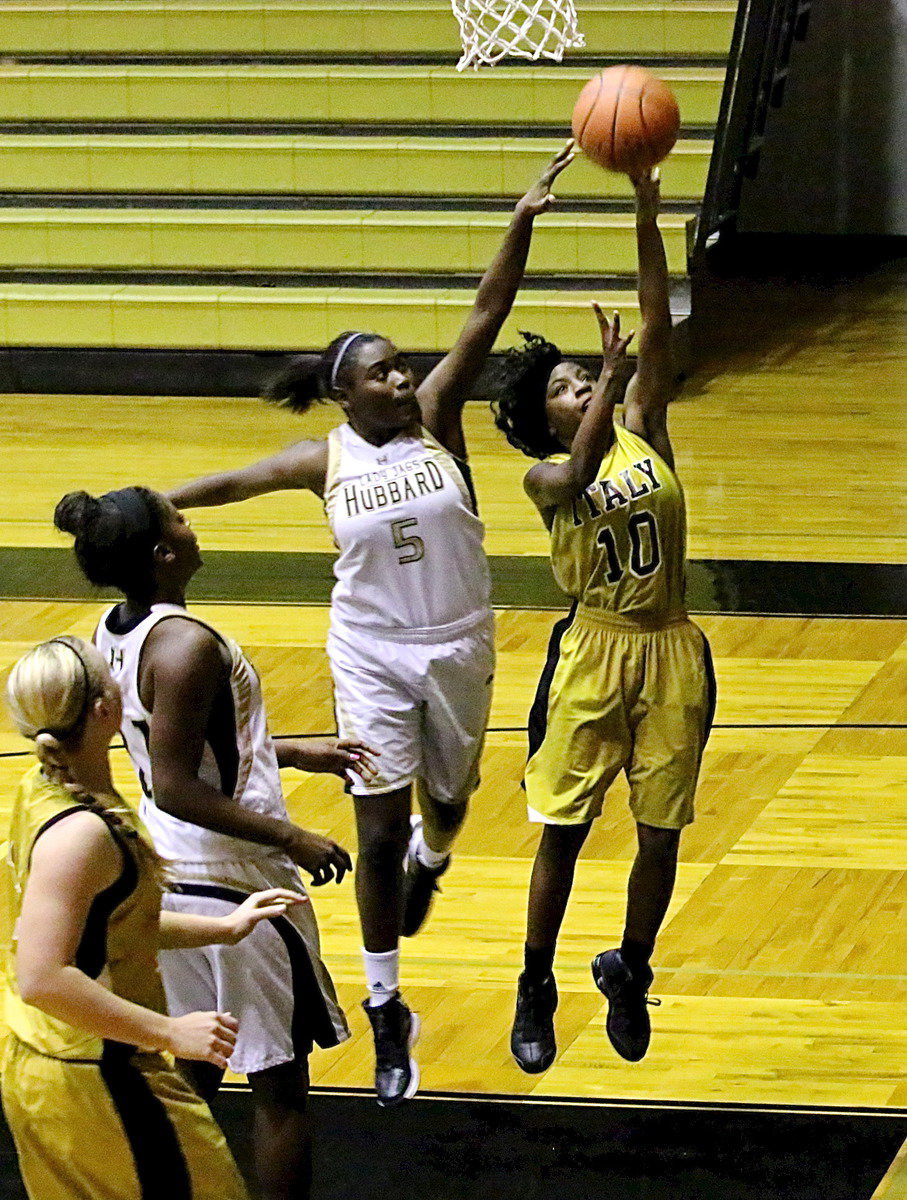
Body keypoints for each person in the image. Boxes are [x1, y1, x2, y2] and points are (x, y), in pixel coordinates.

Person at [163, 141, 576, 1106]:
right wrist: (147, 502)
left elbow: (485, 314)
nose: (404, 379)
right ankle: (388, 1006)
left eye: (402, 369)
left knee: (451, 800)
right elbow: (231, 482)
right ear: (347, 394)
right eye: (384, 373)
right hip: (370, 651)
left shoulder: (439, 416)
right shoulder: (323, 457)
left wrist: (518, 224)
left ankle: (438, 850)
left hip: (462, 639)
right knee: (375, 831)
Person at [54, 487, 373, 1200]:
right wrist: (293, 835)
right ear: (165, 554)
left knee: (194, 1069)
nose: (193, 529)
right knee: (280, 1084)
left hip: (166, 868)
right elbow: (176, 783)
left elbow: (180, 744)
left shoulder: (115, 628)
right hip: (235, 873)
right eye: (180, 521)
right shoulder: (190, 644)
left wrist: (288, 751)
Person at [490, 170, 716, 1072]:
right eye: (564, 387)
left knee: (660, 829)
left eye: (586, 377)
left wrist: (647, 213)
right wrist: (612, 375)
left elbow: (656, 326)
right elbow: (579, 477)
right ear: (535, 422)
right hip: (593, 652)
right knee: (566, 829)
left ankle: (630, 965)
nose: (583, 388)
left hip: (670, 647)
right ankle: (534, 980)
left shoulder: (642, 426)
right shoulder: (543, 479)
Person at [1, 635, 306, 1200]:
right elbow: (42, 976)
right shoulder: (82, 835)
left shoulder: (44, 789)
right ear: (106, 710)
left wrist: (224, 926)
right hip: (96, 1073)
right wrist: (169, 1030)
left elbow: (102, 925)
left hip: (55, 1065)